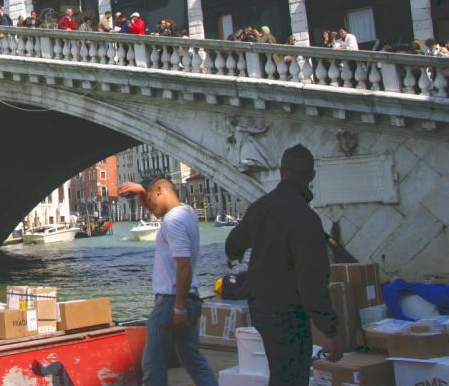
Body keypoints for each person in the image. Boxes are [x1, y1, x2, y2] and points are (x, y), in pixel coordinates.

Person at [225, 145, 342, 385]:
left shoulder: (260, 208)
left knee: (282, 373)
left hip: (260, 306)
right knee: (292, 377)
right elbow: (313, 279)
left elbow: (233, 244)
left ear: (281, 171)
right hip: (288, 311)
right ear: (312, 176)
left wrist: (234, 254)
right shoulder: (307, 218)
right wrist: (329, 330)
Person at [118, 177, 217, 386]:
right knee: (192, 359)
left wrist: (179, 308)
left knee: (153, 362)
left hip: (171, 302)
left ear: (159, 191)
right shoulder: (188, 212)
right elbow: (157, 208)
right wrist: (142, 192)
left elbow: (184, 265)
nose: (149, 207)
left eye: (150, 200)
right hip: (191, 297)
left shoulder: (173, 221)